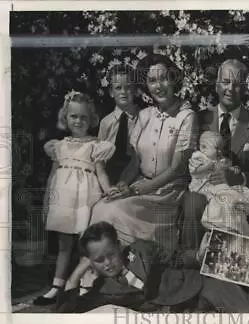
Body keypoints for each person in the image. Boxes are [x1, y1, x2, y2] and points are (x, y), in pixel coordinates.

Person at [90, 54, 198, 251]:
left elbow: (176, 169)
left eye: (164, 78)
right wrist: (123, 184)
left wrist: (134, 191)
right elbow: (135, 162)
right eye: (152, 80)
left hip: (168, 195)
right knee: (101, 207)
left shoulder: (186, 116)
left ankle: (131, 270)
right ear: (146, 85)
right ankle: (101, 273)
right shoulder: (145, 115)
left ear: (173, 78)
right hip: (140, 186)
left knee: (113, 212)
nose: (159, 86)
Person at [34, 91, 115, 305]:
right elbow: (53, 176)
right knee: (63, 245)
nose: (78, 121)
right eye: (74, 116)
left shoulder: (95, 145)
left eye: (83, 117)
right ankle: (56, 285)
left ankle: (83, 285)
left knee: (85, 243)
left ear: (91, 119)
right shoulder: (58, 146)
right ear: (65, 117)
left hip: (85, 198)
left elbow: (101, 173)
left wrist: (109, 191)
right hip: (63, 199)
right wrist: (46, 201)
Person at [182, 59, 249, 249]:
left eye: (238, 84)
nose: (231, 88)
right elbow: (186, 163)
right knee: (192, 202)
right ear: (216, 85)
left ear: (245, 88)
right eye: (225, 82)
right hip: (203, 189)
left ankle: (229, 270)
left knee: (231, 207)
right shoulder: (200, 119)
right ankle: (192, 266)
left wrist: (239, 177)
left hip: (237, 193)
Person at [56, 222, 170, 313]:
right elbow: (65, 312)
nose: (107, 263)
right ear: (91, 263)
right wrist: (76, 275)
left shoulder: (142, 250)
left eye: (111, 254)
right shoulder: (101, 289)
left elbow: (178, 259)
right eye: (99, 260)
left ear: (119, 246)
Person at [189, 131, 249, 236]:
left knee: (233, 197)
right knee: (225, 199)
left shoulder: (220, 159)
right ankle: (219, 224)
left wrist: (234, 169)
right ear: (203, 148)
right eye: (216, 148)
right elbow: (194, 171)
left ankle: (235, 227)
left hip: (218, 186)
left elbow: (227, 168)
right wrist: (210, 165)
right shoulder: (199, 157)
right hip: (203, 187)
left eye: (221, 149)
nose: (219, 152)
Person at [98, 65, 141, 186]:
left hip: (135, 175)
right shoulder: (106, 122)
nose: (123, 92)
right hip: (109, 175)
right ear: (111, 92)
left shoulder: (143, 118)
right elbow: (99, 159)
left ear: (135, 90)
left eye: (128, 87)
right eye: (118, 88)